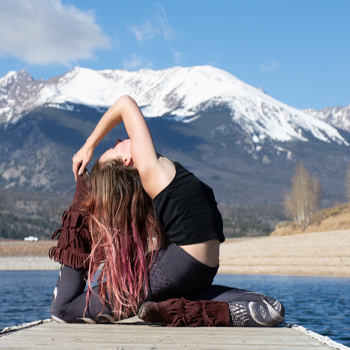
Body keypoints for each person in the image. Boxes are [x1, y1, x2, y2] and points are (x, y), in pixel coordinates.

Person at [50, 95, 285, 327]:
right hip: (182, 267)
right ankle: (170, 309)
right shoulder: (151, 171)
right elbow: (125, 104)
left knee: (273, 309)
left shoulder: (161, 176)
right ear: (126, 160)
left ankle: (172, 310)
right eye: (113, 147)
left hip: (193, 271)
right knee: (63, 311)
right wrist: (88, 146)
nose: (119, 138)